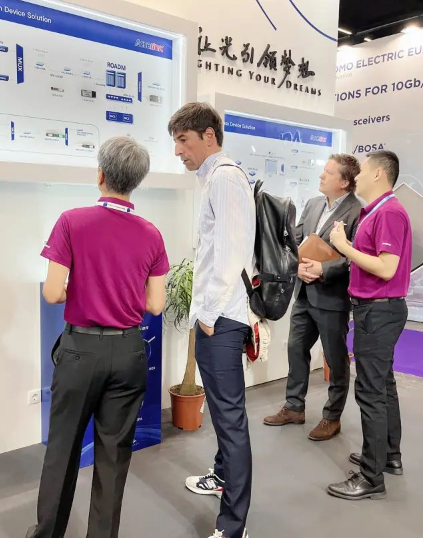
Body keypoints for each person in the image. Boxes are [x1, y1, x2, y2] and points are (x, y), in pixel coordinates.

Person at [26, 136, 169, 538]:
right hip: (129, 351)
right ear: (136, 181)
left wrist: (82, 291)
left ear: (101, 175)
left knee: (63, 448)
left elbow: (52, 292)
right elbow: (156, 304)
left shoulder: (71, 221)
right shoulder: (152, 234)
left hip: (81, 351)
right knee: (114, 455)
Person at [169, 102, 254, 538]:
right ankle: (221, 476)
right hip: (216, 316)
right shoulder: (215, 179)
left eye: (183, 141)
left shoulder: (225, 178)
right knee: (224, 414)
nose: (178, 151)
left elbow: (232, 253)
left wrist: (209, 314)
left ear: (208, 136)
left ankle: (233, 525)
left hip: (221, 318)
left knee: (230, 419)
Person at [326, 150, 412, 501]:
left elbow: (387, 268)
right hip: (377, 311)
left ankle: (371, 477)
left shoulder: (389, 212)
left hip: (378, 312)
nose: (356, 176)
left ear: (378, 174)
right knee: (383, 386)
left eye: (362, 171)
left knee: (371, 392)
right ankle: (387, 456)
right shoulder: (377, 212)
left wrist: (343, 247)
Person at [264, 155, 361, 440]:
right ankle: (294, 407)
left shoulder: (359, 212)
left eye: (328, 172)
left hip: (332, 297)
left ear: (344, 182)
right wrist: (297, 266)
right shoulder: (314, 204)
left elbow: (356, 258)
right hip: (304, 292)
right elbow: (296, 240)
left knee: (335, 358)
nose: (321, 176)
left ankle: (332, 417)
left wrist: (323, 269)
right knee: (296, 349)